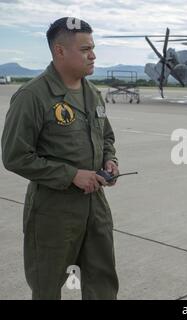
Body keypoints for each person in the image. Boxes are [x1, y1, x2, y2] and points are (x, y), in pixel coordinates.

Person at [1, 17, 119, 299]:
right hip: (53, 212)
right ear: (60, 51)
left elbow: (107, 137)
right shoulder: (33, 96)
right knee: (47, 287)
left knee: (102, 284)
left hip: (95, 207)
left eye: (93, 47)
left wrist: (109, 160)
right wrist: (71, 175)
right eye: (85, 49)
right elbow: (15, 156)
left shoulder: (92, 94)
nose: (93, 55)